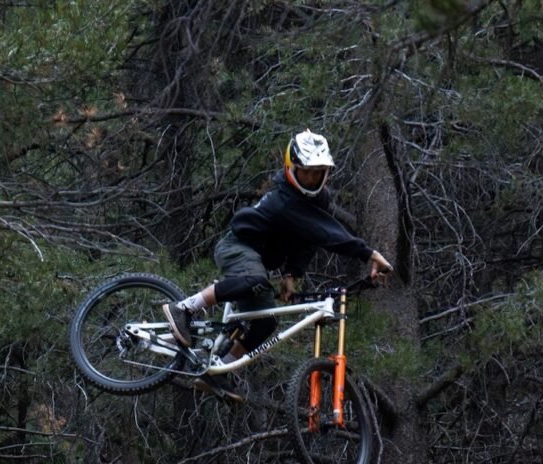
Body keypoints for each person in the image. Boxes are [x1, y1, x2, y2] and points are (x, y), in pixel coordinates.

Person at [163, 130, 394, 361]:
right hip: (238, 247)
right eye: (306, 173)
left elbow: (309, 238)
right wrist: (368, 253)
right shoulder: (283, 200)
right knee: (253, 281)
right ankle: (184, 308)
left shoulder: (317, 201)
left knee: (266, 323)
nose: (312, 179)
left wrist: (291, 274)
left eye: (318, 173)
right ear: (290, 168)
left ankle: (220, 369)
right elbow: (324, 232)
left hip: (257, 261)